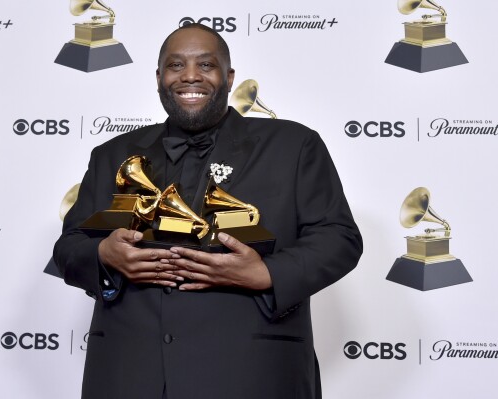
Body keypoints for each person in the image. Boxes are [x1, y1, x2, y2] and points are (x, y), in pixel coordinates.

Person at [54, 23, 362, 399]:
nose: (190, 76)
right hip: (129, 375)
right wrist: (103, 255)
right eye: (175, 65)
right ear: (158, 78)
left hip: (252, 374)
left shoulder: (294, 146)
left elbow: (339, 238)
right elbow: (69, 247)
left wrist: (266, 273)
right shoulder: (112, 154)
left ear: (229, 77)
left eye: (206, 64)